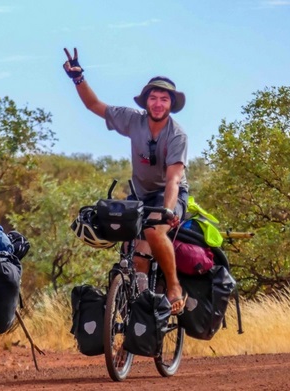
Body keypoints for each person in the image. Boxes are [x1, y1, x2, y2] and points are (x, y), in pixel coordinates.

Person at [63, 48, 189, 315]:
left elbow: (173, 179)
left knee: (154, 231)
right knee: (128, 245)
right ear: (146, 102)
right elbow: (94, 106)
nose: (157, 103)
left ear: (170, 104)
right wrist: (78, 78)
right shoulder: (133, 120)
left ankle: (174, 286)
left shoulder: (177, 135)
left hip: (169, 194)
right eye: (153, 98)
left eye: (163, 99)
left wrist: (167, 211)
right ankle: (140, 302)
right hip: (139, 195)